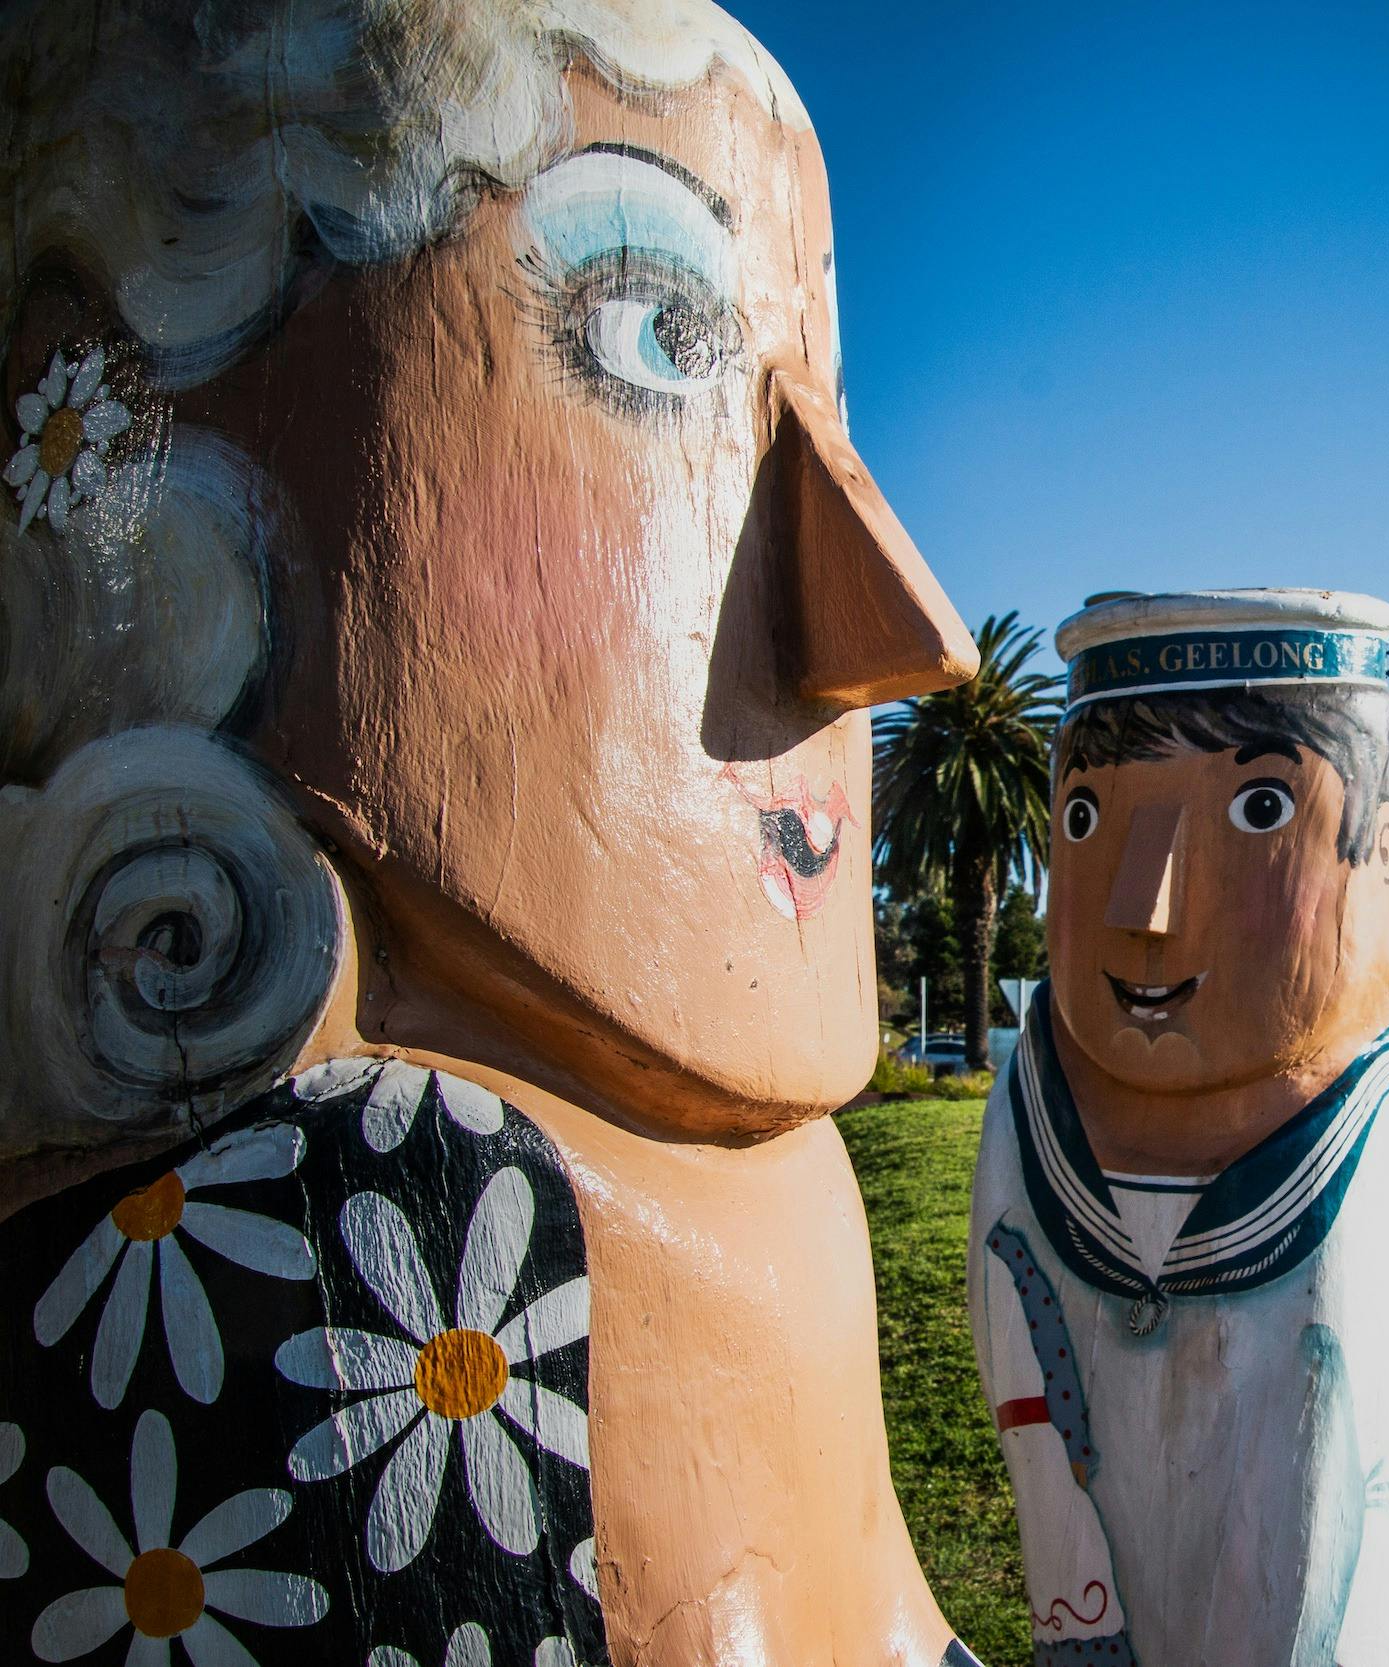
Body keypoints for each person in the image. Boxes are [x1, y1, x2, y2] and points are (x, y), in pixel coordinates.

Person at [0, 3, 979, 1662]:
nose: (897, 620)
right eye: (659, 335)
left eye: (825, 398)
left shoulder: (783, 1199)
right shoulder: (339, 1201)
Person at [970, 590, 1389, 1667]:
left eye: (1260, 809)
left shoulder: (1351, 1127)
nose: (1147, 905)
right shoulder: (1030, 1105)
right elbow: (1010, 1334)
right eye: (1085, 816)